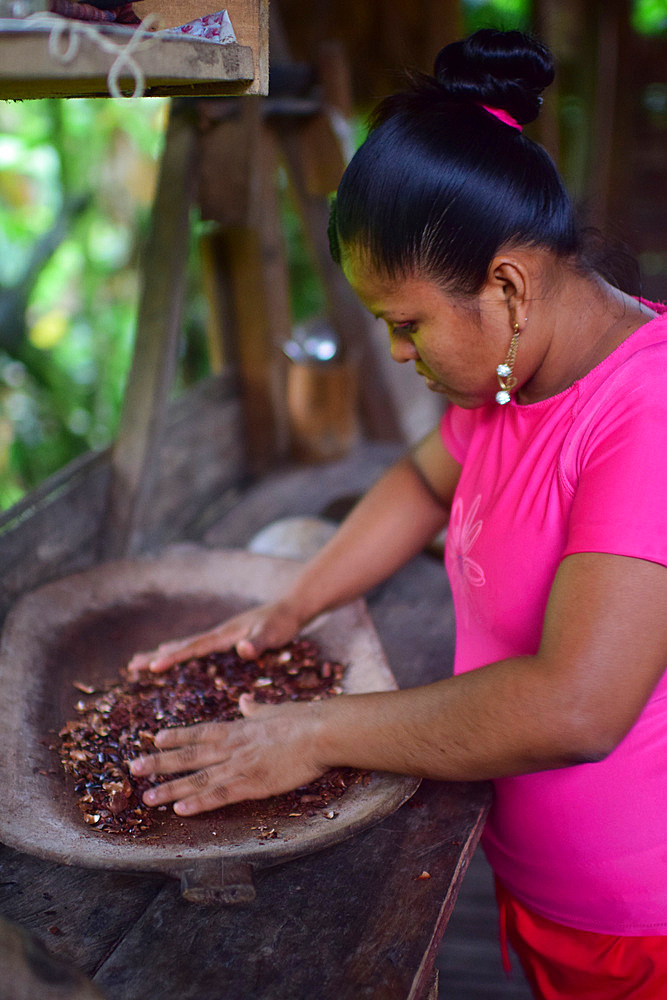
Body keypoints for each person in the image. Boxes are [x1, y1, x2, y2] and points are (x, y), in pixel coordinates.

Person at [127, 28, 667, 999]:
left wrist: (316, 730)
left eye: (407, 325)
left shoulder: (646, 413)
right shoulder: (513, 380)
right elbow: (422, 485)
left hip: (640, 925)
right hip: (543, 889)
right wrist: (291, 603)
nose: (403, 355)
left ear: (505, 285)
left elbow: (578, 704)